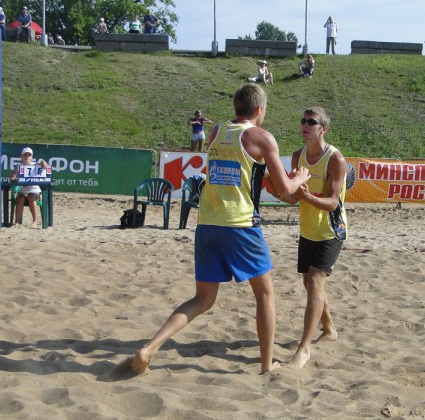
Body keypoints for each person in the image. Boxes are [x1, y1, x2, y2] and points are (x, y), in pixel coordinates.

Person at [128, 84, 310, 375]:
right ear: (259, 109)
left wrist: (268, 177)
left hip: (207, 222)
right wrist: (300, 177)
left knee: (203, 299)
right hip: (239, 224)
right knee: (264, 294)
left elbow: (244, 169)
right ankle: (266, 366)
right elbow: (286, 188)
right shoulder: (261, 137)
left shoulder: (216, 132)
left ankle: (149, 349)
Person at [270, 107, 347, 369]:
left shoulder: (335, 159)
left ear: (323, 129)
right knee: (309, 282)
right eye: (303, 121)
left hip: (331, 230)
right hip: (308, 229)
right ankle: (329, 329)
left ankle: (303, 349)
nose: (304, 125)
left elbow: (333, 203)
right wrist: (277, 190)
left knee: (315, 281)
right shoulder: (297, 156)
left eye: (311, 122)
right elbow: (293, 197)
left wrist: (307, 196)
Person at [10, 147, 49, 229]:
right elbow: (12, 178)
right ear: (22, 156)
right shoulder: (18, 166)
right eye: (25, 155)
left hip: (35, 191)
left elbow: (44, 164)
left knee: (31, 196)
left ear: (32, 156)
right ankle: (17, 221)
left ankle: (35, 221)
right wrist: (17, 180)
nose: (27, 157)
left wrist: (43, 161)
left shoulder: (36, 165)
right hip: (23, 191)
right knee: (20, 197)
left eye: (29, 155)